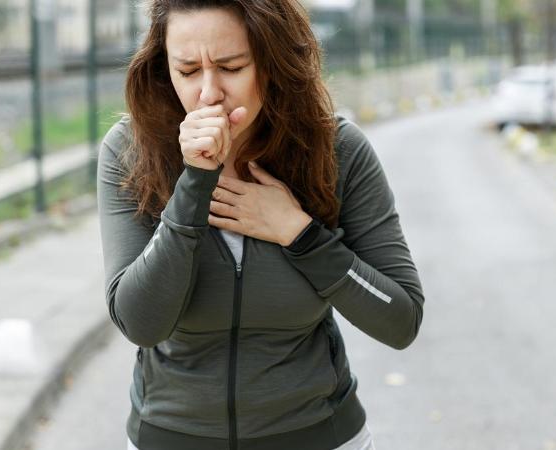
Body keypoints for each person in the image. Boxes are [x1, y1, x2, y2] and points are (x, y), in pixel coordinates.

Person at [96, 1, 425, 449]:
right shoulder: (131, 152)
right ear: (163, 70)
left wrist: (302, 235)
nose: (209, 93)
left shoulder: (338, 151)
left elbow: (400, 320)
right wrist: (194, 183)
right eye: (188, 71)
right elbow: (139, 322)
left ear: (272, 63)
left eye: (230, 67)